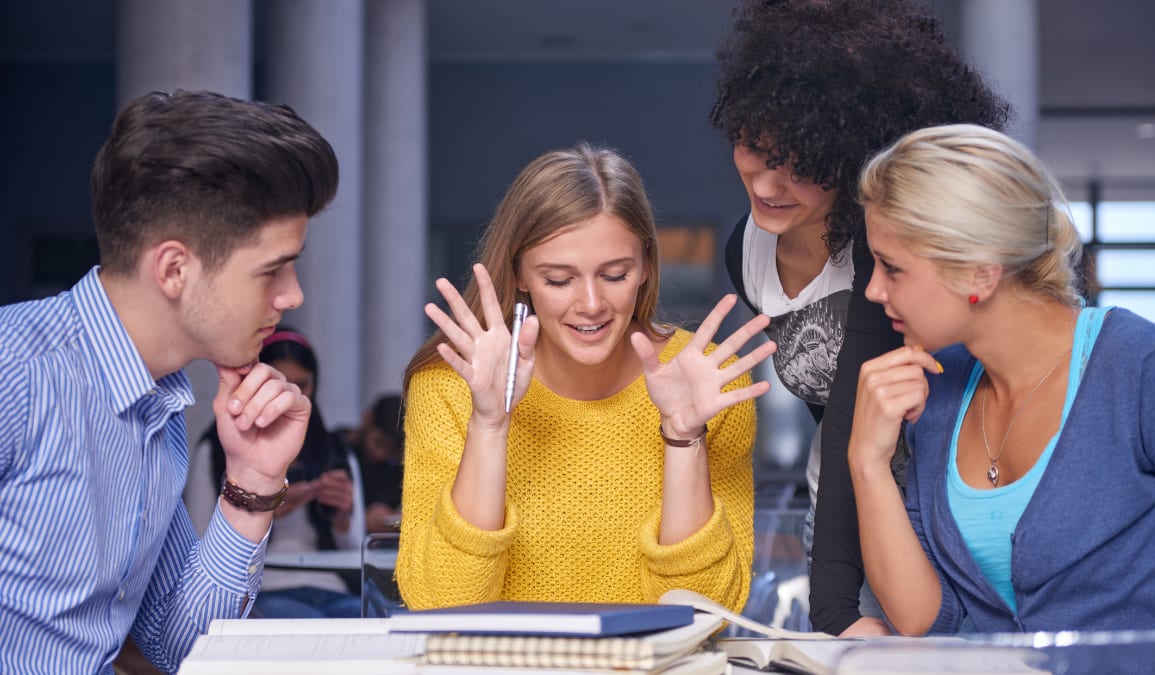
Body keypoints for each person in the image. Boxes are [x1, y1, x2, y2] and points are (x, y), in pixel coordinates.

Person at [0, 89, 338, 673]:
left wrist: (252, 484)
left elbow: (179, 644)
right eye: (272, 269)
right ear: (175, 269)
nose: (292, 295)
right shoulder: (17, 371)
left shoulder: (158, 408)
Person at [708, 0, 1010, 636]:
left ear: (853, 160)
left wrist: (835, 616)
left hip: (933, 512)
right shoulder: (746, 250)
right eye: (755, 150)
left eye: (803, 165)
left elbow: (854, 413)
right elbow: (831, 418)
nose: (768, 184)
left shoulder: (882, 256)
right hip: (845, 504)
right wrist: (839, 601)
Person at [849, 123, 1155, 634]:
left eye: (892, 268)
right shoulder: (939, 393)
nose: (874, 291)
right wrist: (867, 463)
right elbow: (927, 620)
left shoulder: (1153, 370)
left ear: (979, 274)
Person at [397, 142, 775, 611]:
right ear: (519, 275)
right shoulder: (451, 386)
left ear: (646, 268)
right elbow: (443, 605)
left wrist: (683, 437)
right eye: (559, 280)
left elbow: (702, 611)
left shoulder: (708, 383)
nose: (592, 304)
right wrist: (489, 426)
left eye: (615, 274)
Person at [192, 327, 364, 618]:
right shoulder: (217, 449)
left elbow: (357, 549)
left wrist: (342, 516)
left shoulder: (334, 450)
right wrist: (262, 512)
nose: (291, 397)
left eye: (302, 385)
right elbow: (196, 543)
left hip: (331, 584)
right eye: (280, 386)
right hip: (263, 588)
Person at [355, 394, 405, 534]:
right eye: (379, 443)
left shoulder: (392, 466)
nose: (381, 455)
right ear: (367, 419)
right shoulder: (338, 450)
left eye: (389, 451)